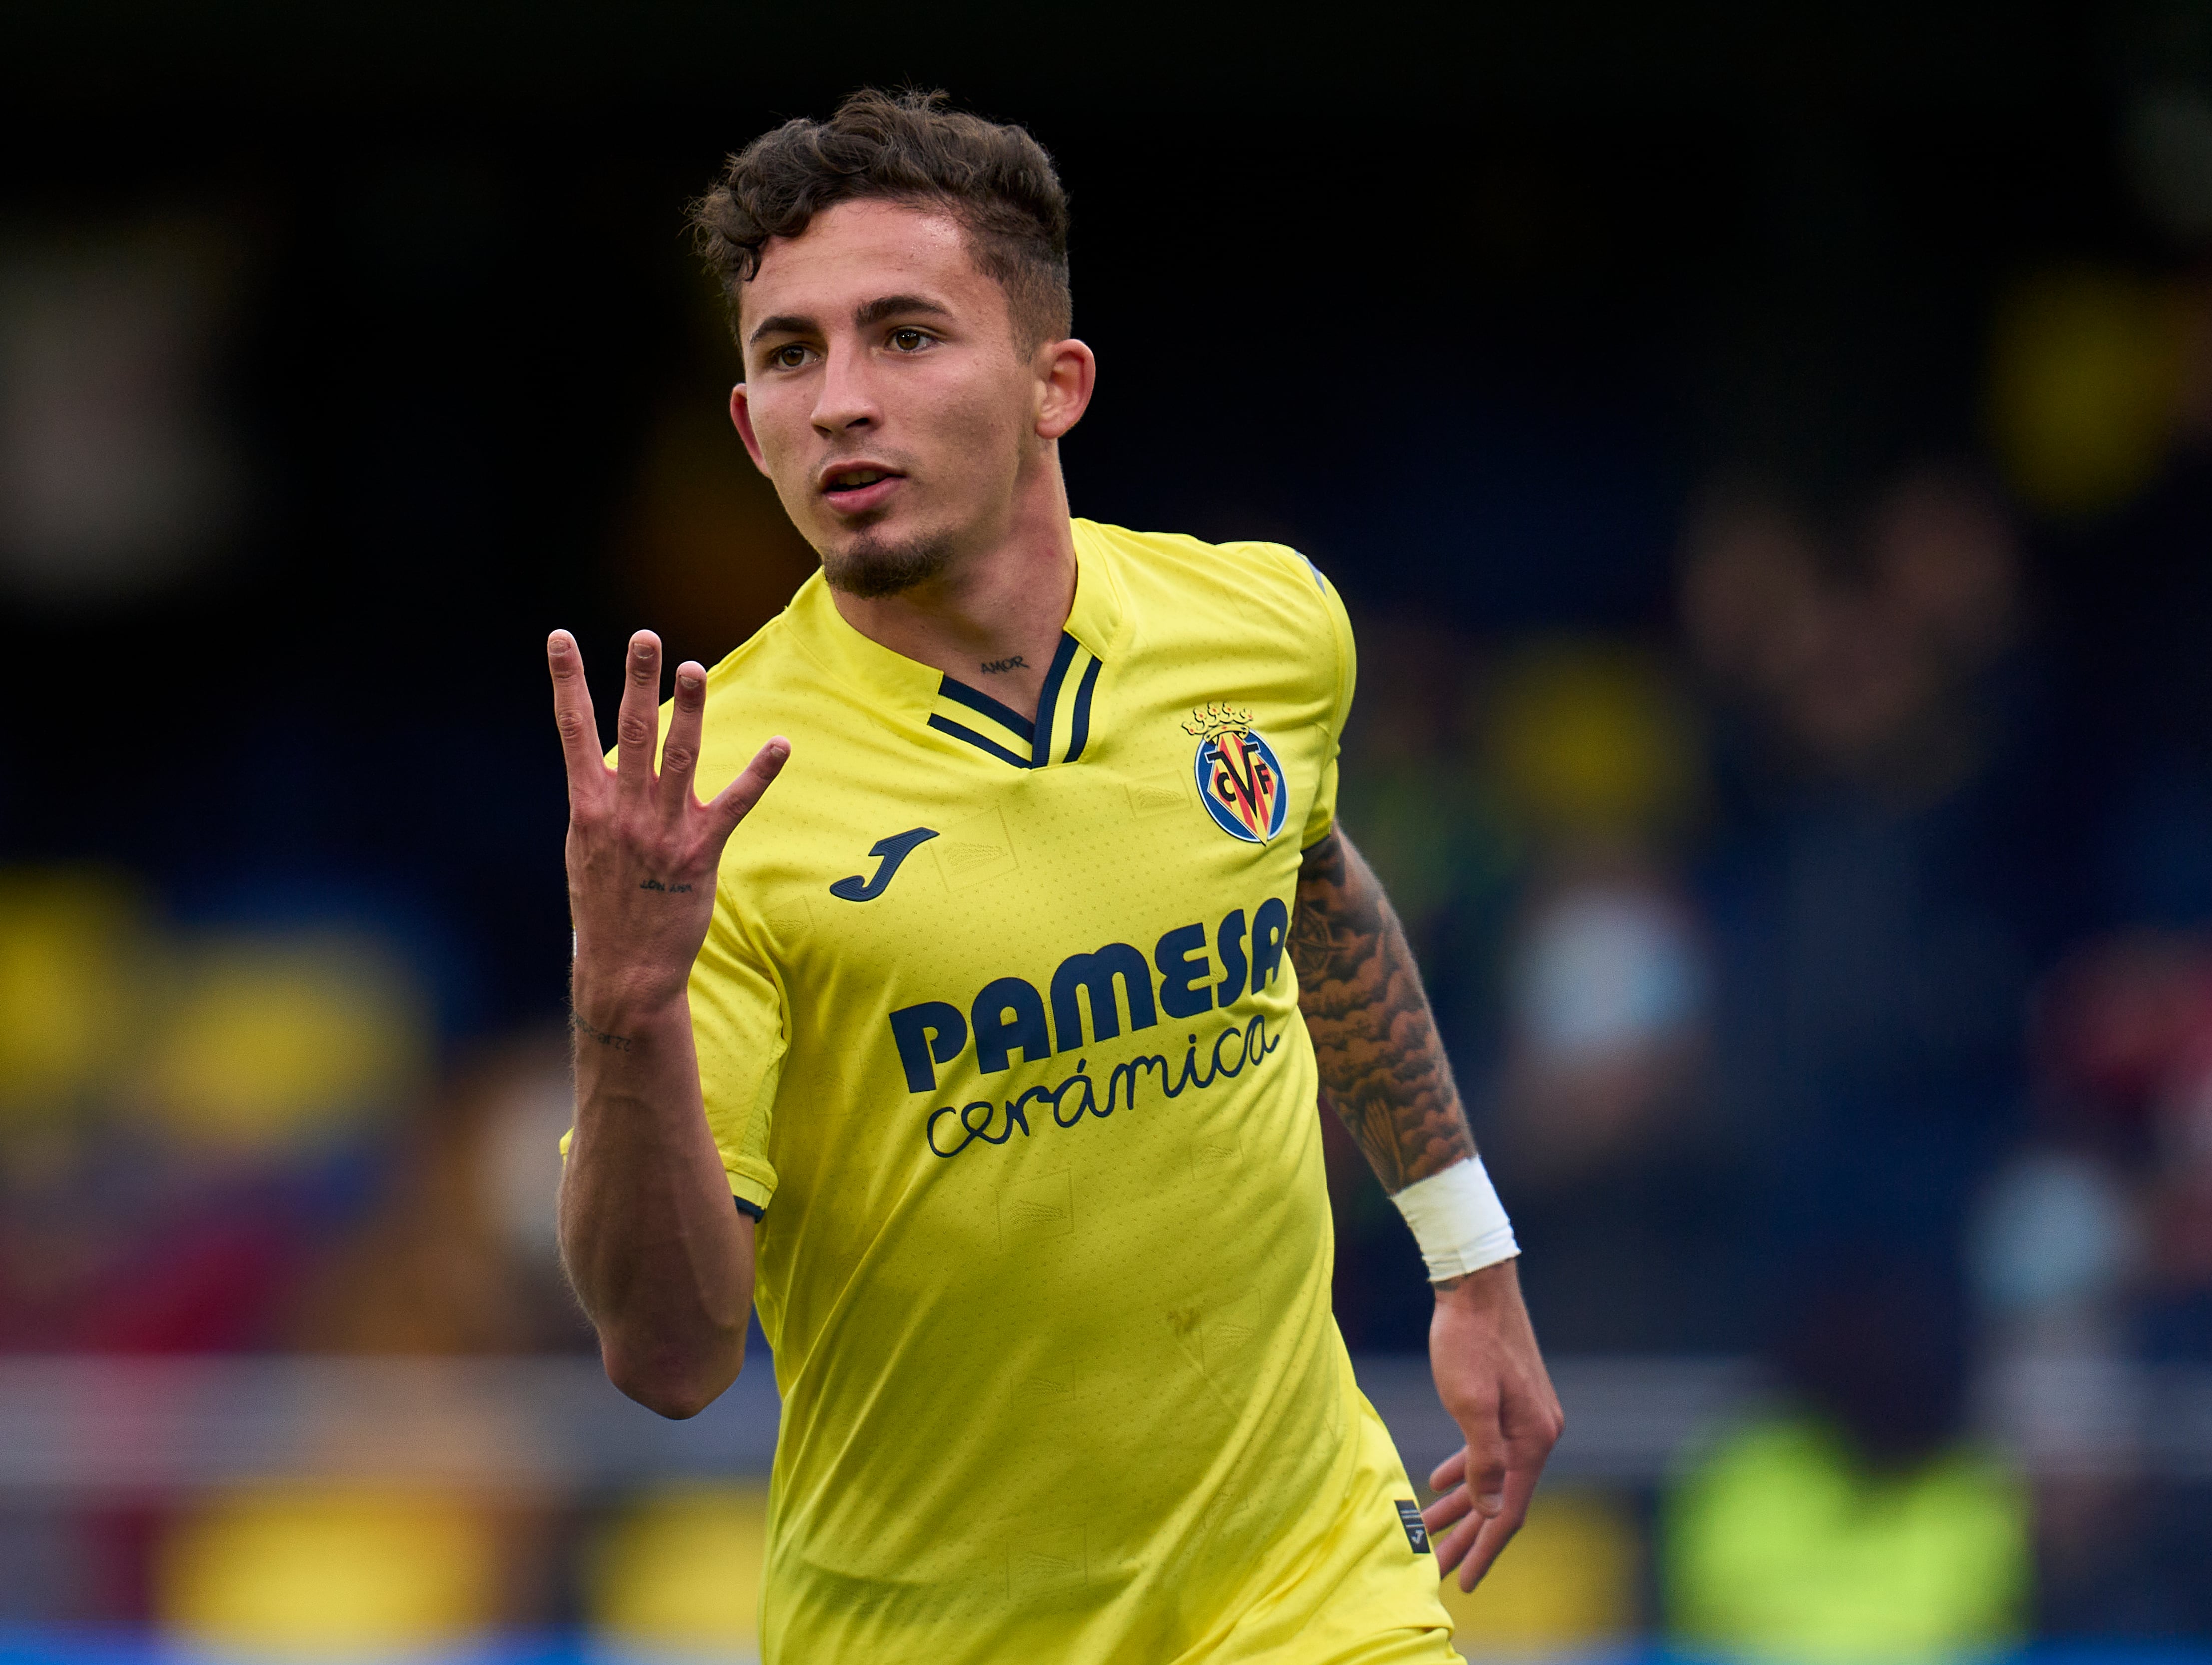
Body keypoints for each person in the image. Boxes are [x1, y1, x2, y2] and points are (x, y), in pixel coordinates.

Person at [550, 89, 1562, 1663]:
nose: (839, 404)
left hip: (1306, 1585)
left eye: (905, 335)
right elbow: (670, 1359)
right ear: (747, 429)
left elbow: (1312, 895)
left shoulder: (1268, 629)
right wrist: (625, 1003)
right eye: (790, 356)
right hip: (930, 1629)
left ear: (1053, 383)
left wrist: (1471, 1260)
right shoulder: (712, 797)